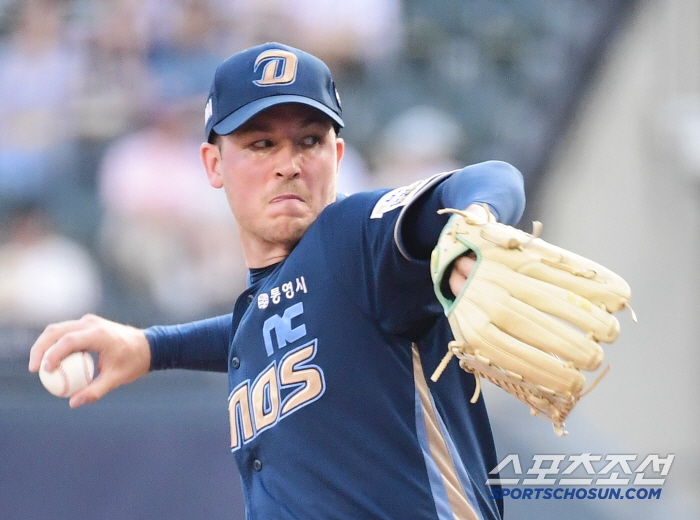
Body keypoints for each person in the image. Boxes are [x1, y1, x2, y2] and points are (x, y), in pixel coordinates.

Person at [29, 42, 525, 520]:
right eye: (262, 144)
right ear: (214, 164)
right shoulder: (285, 300)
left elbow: (490, 177)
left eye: (310, 141)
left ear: (337, 155)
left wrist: (473, 221)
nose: (289, 165)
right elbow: (264, 323)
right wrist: (152, 346)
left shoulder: (356, 239)